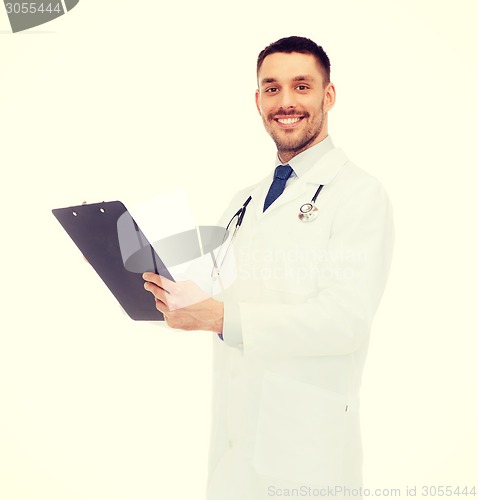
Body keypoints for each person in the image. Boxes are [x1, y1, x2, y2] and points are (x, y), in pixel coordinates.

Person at [143, 36, 394, 500]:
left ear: (329, 95)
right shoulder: (245, 199)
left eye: (302, 86)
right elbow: (201, 289)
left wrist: (219, 317)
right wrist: (128, 263)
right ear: (257, 100)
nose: (286, 102)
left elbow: (345, 322)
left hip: (307, 453)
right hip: (235, 444)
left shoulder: (359, 195)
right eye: (272, 88)